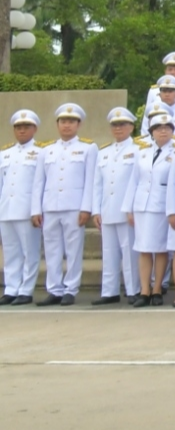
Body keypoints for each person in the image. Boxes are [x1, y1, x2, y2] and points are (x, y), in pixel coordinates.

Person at [38, 102, 97, 306]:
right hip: (50, 206)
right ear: (57, 124)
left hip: (74, 206)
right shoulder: (46, 150)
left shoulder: (88, 148)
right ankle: (54, 289)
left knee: (73, 250)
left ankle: (71, 289)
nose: (67, 125)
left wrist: (86, 208)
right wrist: (36, 208)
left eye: (71, 121)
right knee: (52, 250)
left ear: (78, 125)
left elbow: (90, 181)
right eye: (63, 121)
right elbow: (39, 182)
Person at [93, 109, 142, 305]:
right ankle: (109, 290)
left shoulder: (138, 150)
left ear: (131, 127)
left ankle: (133, 289)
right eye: (115, 125)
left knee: (130, 252)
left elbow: (137, 182)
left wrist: (132, 208)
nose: (119, 128)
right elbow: (97, 184)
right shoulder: (103, 152)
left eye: (123, 124)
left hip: (126, 210)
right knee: (109, 252)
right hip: (107, 209)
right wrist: (95, 210)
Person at [133, 114, 175, 306]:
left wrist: (172, 211)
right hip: (142, 205)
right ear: (151, 132)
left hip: (161, 207)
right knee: (143, 249)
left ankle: (157, 288)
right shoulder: (142, 152)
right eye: (158, 128)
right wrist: (129, 208)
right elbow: (134, 181)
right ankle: (144, 290)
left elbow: (174, 185)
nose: (162, 131)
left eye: (167, 128)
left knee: (160, 249)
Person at [1, 111, 45, 305]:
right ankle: (11, 288)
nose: (22, 130)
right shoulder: (5, 153)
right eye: (18, 127)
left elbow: (39, 184)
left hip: (27, 209)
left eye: (26, 127)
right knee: (11, 251)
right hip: (6, 209)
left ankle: (26, 290)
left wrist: (36, 210)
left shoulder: (41, 152)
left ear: (34, 129)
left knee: (30, 251)